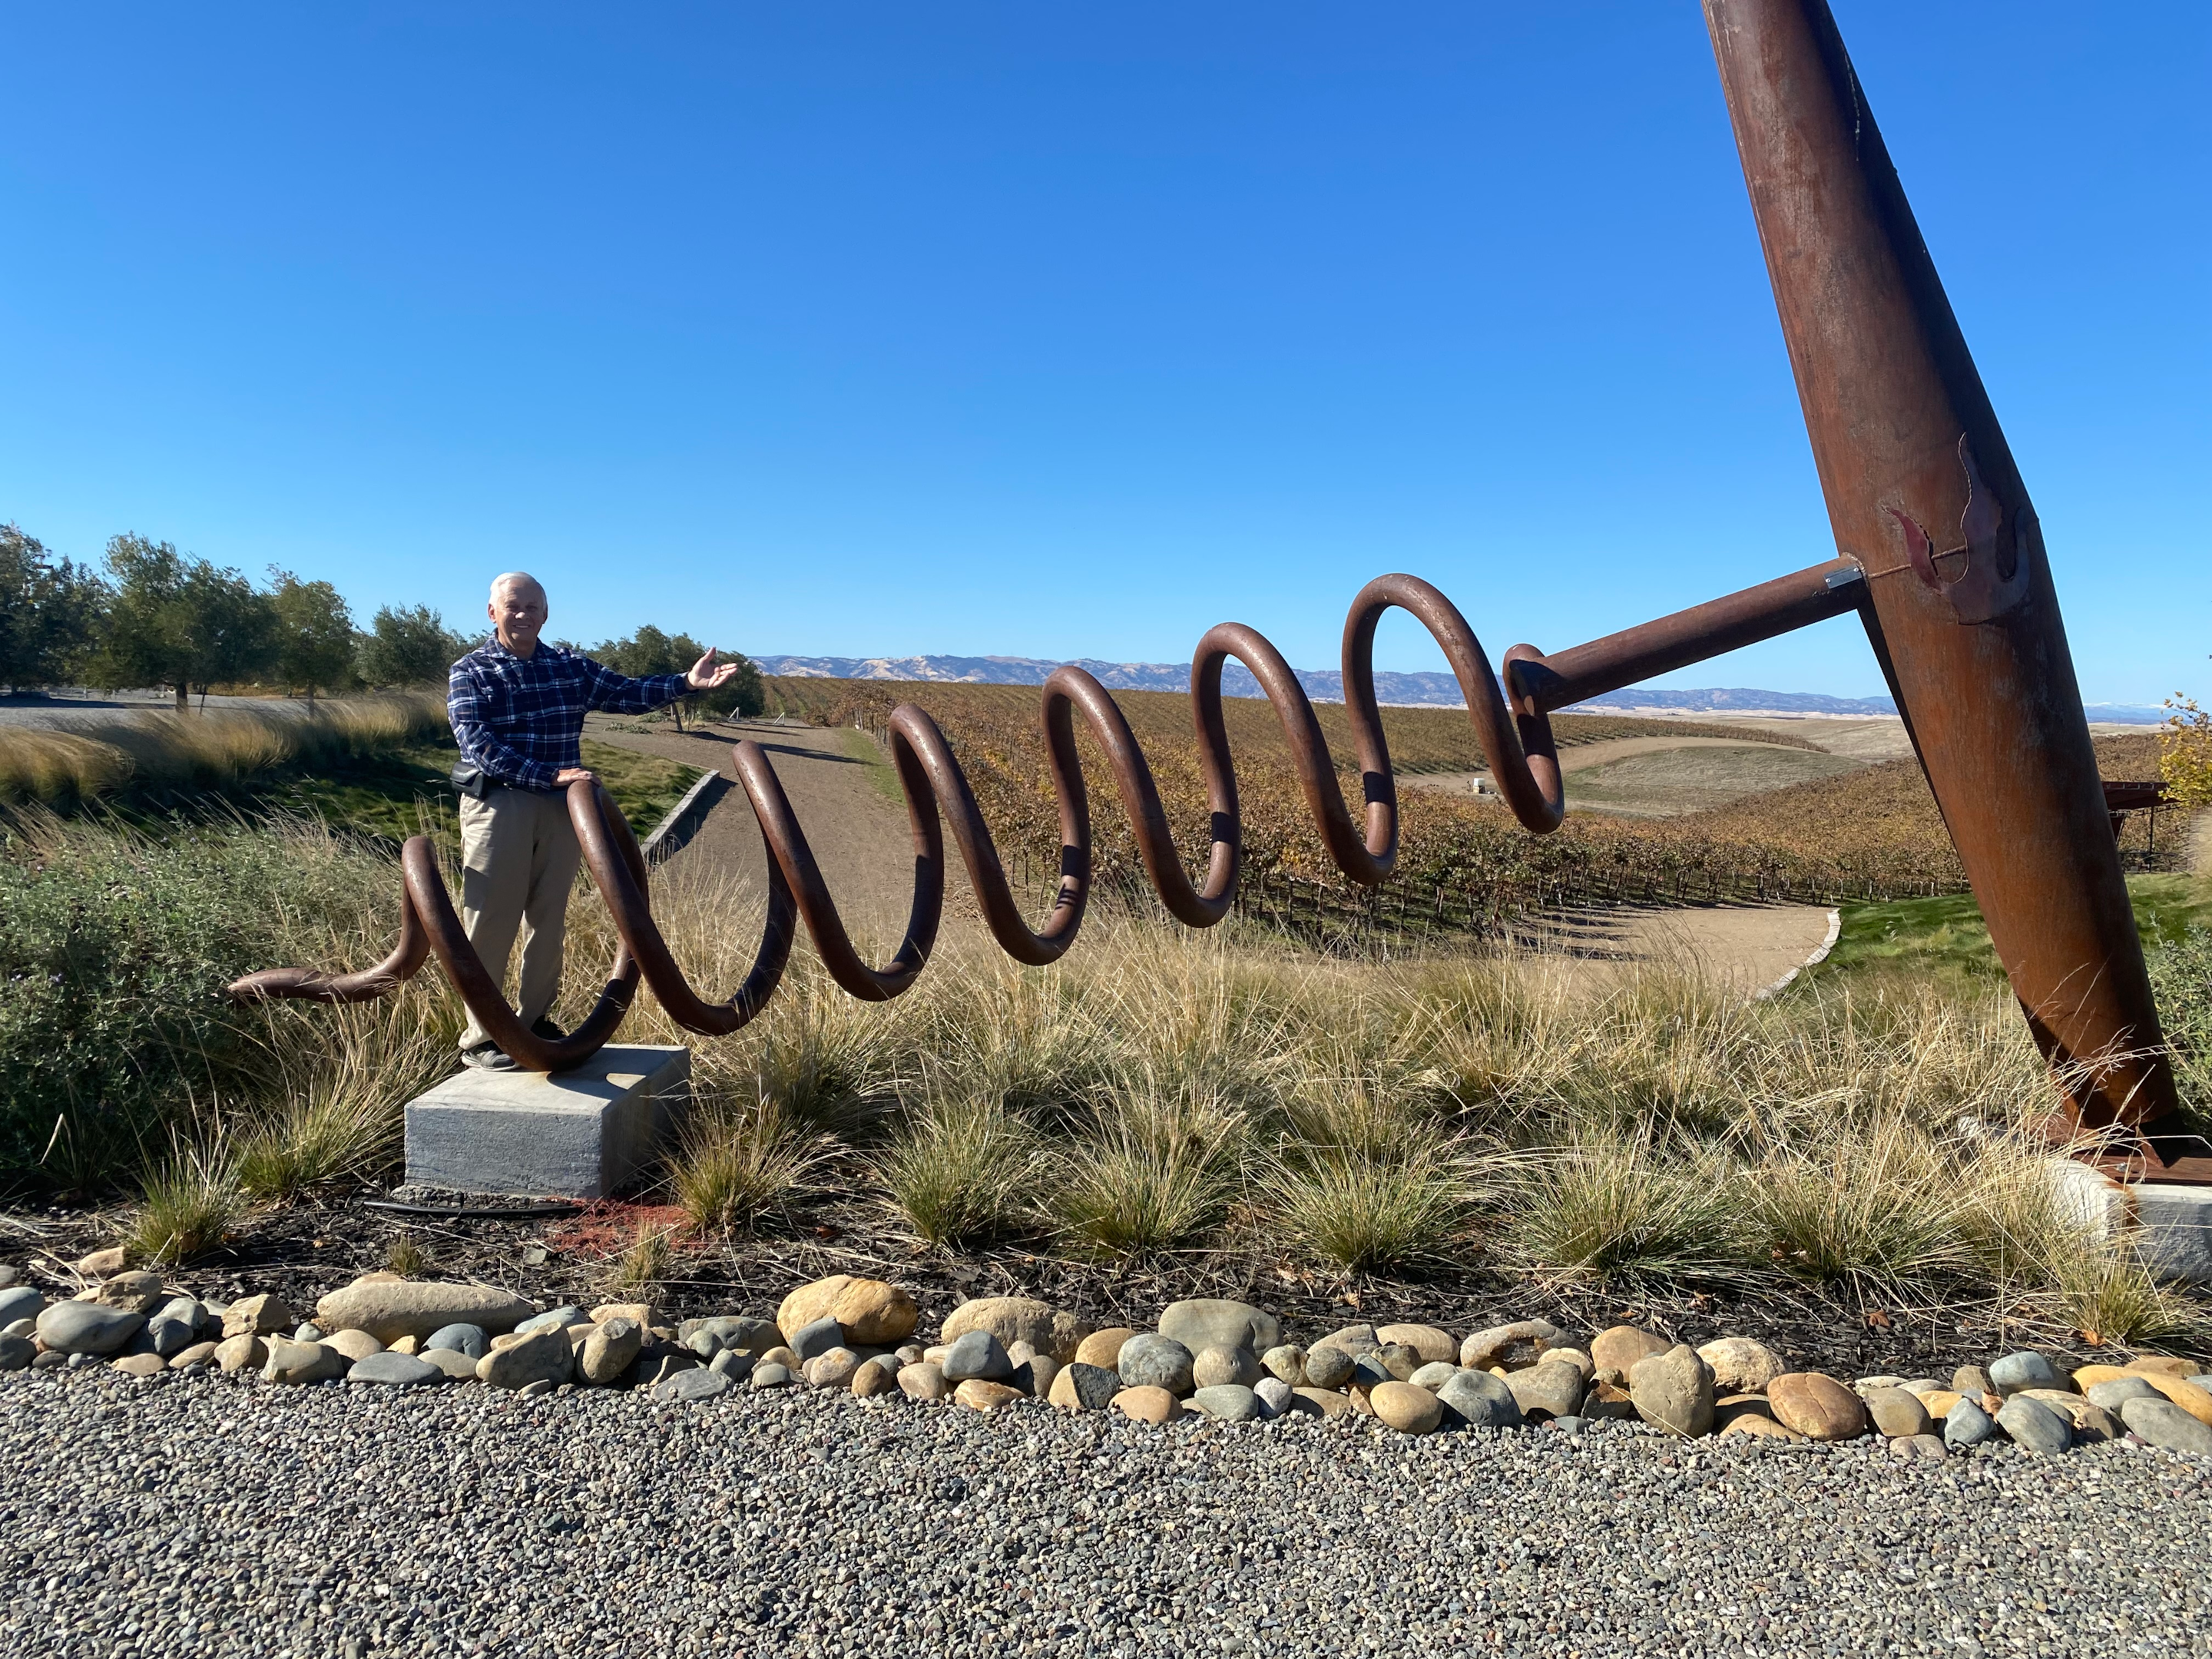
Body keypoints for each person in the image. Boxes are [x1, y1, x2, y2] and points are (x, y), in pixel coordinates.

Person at [445, 571, 742, 1069]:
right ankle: (483, 1037)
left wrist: (687, 684)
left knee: (548, 917)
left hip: (563, 807)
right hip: (502, 804)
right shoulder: (470, 672)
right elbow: (479, 746)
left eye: (533, 607)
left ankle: (534, 1021)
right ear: (492, 612)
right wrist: (550, 774)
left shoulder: (568, 667)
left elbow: (626, 693)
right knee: (491, 919)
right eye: (513, 606)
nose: (523, 615)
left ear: (546, 614)